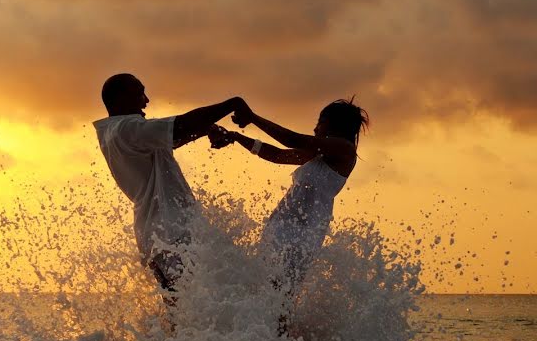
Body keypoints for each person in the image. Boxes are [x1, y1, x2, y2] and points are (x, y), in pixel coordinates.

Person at [93, 73, 249, 298]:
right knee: (201, 301)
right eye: (140, 93)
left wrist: (206, 129)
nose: (146, 100)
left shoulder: (114, 132)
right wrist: (233, 104)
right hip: (171, 232)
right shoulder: (128, 128)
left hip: (154, 235)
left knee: (181, 312)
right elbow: (180, 125)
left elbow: (173, 138)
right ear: (119, 99)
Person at [215, 98, 369, 295]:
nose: (315, 128)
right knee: (267, 293)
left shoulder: (345, 150)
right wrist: (236, 137)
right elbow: (278, 155)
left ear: (336, 125)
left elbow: (295, 140)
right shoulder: (319, 154)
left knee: (280, 297)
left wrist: (253, 118)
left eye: (320, 122)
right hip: (280, 231)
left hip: (301, 238)